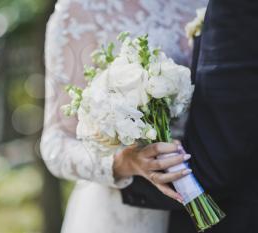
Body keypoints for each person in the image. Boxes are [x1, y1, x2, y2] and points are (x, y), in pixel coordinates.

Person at [41, 0, 207, 232]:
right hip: (121, 214)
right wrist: (122, 163)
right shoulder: (79, 12)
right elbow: (56, 144)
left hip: (210, 191)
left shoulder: (204, 5)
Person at [122, 0, 258, 232]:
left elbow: (219, 159)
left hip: (214, 201)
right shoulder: (79, 11)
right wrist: (117, 166)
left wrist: (129, 175)